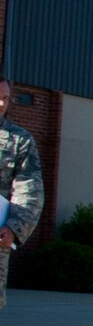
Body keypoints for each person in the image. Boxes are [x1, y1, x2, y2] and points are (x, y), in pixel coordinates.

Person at [0, 79, 46, 307]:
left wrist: (14, 228)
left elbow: (29, 190)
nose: (1, 103)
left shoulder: (19, 141)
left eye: (6, 98)